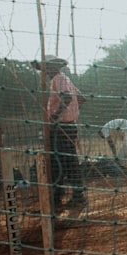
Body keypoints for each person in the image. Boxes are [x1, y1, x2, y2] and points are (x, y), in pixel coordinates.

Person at [34, 57, 86, 209]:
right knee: (67, 162)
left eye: (44, 68)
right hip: (68, 126)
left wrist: (55, 118)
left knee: (58, 163)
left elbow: (68, 97)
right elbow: (81, 98)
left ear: (51, 67)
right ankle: (70, 196)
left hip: (61, 128)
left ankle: (61, 198)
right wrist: (72, 115)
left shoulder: (59, 79)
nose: (42, 72)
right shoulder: (64, 79)